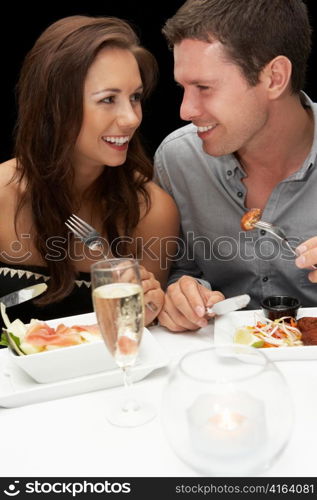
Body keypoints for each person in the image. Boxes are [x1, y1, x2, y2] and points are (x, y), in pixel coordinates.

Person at [0, 15, 179, 329]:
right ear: (55, 107)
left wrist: (147, 316)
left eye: (134, 97)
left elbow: (137, 342)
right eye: (108, 99)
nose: (130, 118)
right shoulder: (2, 195)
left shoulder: (151, 210)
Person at [155, 0, 317, 332]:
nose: (185, 110)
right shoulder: (178, 159)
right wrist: (181, 295)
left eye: (204, 88)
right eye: (183, 88)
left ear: (274, 77)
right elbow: (181, 271)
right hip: (226, 370)